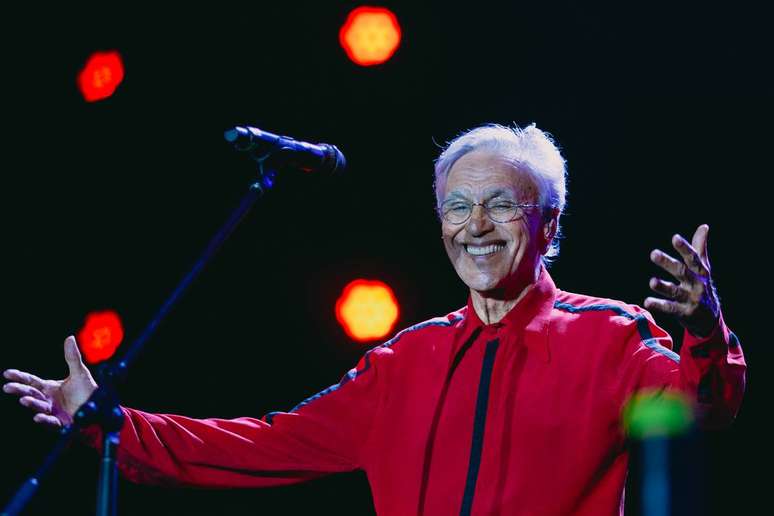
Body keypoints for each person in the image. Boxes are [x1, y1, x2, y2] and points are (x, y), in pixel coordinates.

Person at [3, 124, 746, 515]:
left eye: (500, 205)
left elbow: (701, 405)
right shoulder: (404, 364)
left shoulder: (610, 338)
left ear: (548, 225)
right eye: (456, 206)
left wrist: (705, 331)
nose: (475, 225)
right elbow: (265, 445)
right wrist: (113, 422)